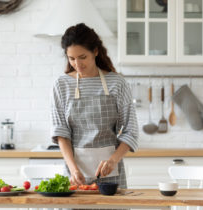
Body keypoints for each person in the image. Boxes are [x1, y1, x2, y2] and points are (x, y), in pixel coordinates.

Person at [51, 23, 138, 189]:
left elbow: (130, 131)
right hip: (75, 175)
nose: (77, 64)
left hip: (111, 175)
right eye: (72, 58)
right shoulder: (61, 85)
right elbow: (61, 132)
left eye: (82, 57)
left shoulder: (117, 83)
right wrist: (73, 170)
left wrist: (113, 161)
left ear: (95, 52)